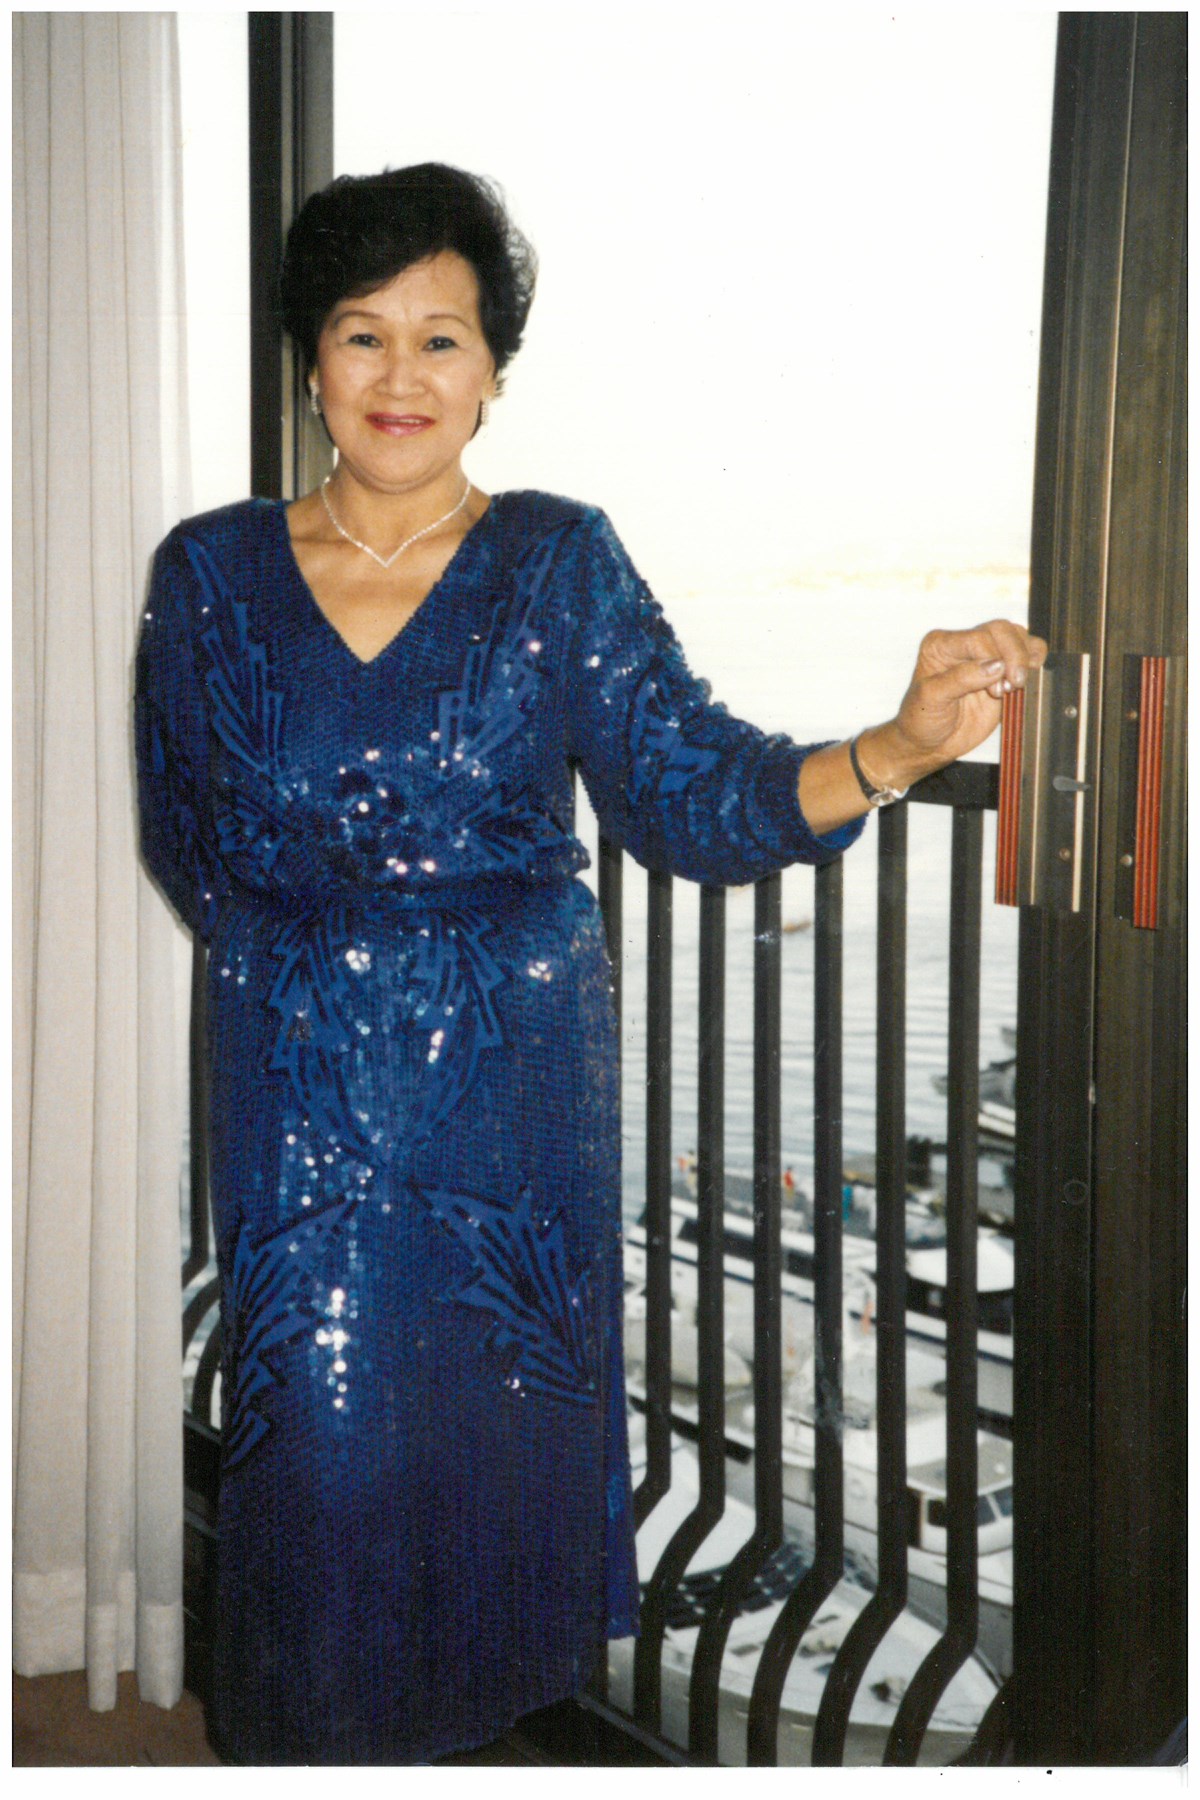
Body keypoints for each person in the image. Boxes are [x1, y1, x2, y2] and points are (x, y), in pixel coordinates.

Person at [135, 162, 1045, 1765]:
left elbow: (691, 791)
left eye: (442, 338)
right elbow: (183, 831)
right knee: (317, 1468)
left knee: (490, 1463)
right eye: (362, 334)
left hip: (513, 1113)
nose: (402, 376)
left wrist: (901, 745)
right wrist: (326, 980)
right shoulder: (208, 574)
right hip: (302, 1101)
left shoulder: (559, 561)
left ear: (494, 371)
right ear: (310, 360)